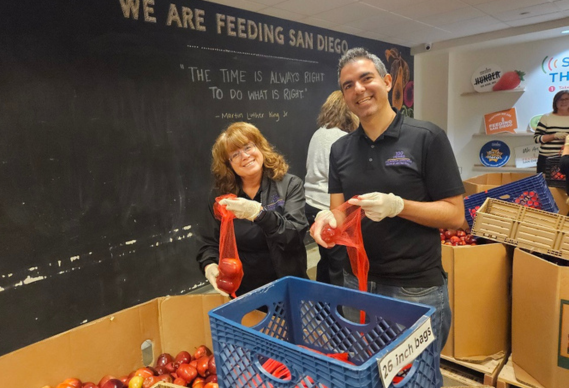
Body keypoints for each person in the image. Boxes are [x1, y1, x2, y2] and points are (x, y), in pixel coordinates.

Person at [310, 48, 465, 355]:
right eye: (348, 85)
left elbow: (455, 215)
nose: (359, 90)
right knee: (365, 373)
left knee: (413, 382)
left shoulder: (426, 137)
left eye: (366, 78)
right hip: (358, 285)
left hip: (414, 289)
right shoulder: (339, 150)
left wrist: (399, 206)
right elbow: (341, 211)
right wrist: (328, 221)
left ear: (388, 81)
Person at [197, 122, 308, 296]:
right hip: (243, 290)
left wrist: (260, 214)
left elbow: (294, 237)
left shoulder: (289, 185)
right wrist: (210, 265)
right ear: (228, 164)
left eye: (248, 147)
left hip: (287, 285)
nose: (245, 156)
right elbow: (209, 243)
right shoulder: (220, 196)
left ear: (260, 147)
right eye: (235, 154)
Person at [304, 90, 358, 286]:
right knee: (339, 264)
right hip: (329, 209)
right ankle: (337, 312)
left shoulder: (319, 133)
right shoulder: (343, 138)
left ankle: (320, 308)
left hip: (311, 205)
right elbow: (345, 180)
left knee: (325, 258)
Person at [534, 90, 569, 173]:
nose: (563, 102)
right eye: (560, 99)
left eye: (567, 99)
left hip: (567, 160)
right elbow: (537, 138)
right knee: (545, 184)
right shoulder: (546, 117)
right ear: (555, 102)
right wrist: (554, 136)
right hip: (547, 159)